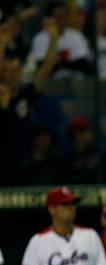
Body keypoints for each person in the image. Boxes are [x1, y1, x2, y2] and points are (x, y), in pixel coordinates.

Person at [0, 17, 58, 186]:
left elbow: (45, 70)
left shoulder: (27, 94)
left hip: (23, 162)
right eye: (7, 71)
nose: (12, 74)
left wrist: (53, 40)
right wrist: (2, 43)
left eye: (16, 70)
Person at [28, 2, 93, 78]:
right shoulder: (40, 38)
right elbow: (40, 66)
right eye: (58, 16)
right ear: (50, 18)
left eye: (64, 16)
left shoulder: (77, 36)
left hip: (77, 81)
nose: (61, 19)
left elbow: (83, 64)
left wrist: (59, 63)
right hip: (50, 83)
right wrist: (67, 63)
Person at [63, 116, 100, 184]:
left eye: (90, 130)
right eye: (87, 131)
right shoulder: (65, 159)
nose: (91, 134)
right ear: (76, 135)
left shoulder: (99, 155)